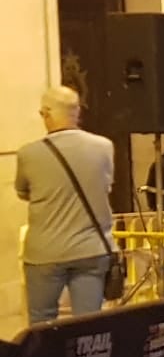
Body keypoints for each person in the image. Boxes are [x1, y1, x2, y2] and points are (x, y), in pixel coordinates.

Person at [16, 85, 117, 325]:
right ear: (77, 111)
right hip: (92, 249)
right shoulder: (104, 147)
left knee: (42, 323)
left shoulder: (28, 154)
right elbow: (106, 187)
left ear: (47, 113)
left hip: (45, 253)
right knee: (88, 324)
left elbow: (23, 192)